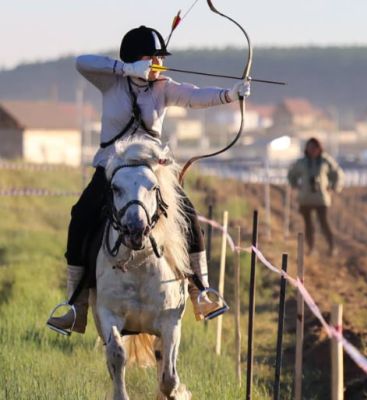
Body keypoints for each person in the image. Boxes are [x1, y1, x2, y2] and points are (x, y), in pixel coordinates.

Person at [46, 26, 249, 335]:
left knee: (190, 218)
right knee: (81, 216)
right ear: (134, 59)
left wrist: (230, 94)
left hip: (154, 170)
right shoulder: (111, 82)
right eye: (151, 58)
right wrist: (126, 69)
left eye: (158, 59)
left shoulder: (163, 88)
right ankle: (76, 305)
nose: (157, 64)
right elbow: (81, 62)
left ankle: (201, 293)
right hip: (112, 167)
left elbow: (194, 96)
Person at [287, 138, 344, 256]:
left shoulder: (326, 161)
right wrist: (296, 185)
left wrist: (334, 187)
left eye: (314, 147)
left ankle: (332, 247)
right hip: (305, 198)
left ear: (319, 148)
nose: (312, 150)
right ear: (306, 148)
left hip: (321, 198)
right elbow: (291, 174)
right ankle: (311, 248)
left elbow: (338, 174)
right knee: (308, 225)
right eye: (310, 147)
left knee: (324, 223)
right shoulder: (301, 162)